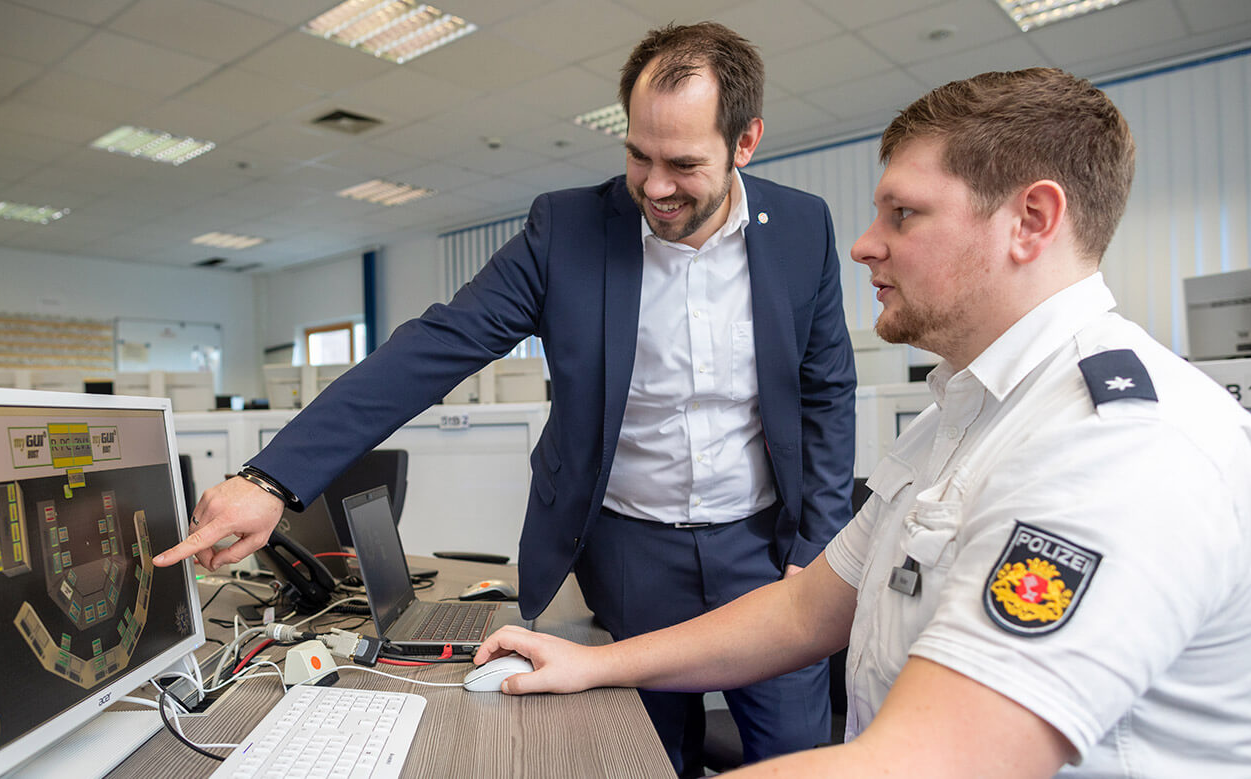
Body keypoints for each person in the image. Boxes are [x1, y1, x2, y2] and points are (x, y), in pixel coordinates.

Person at [469, 67, 1251, 776]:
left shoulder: (1117, 447)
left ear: (1032, 220)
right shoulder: (965, 414)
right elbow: (805, 609)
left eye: (904, 215)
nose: (862, 245)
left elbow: (925, 762)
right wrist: (593, 663)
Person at [153, 22, 857, 775]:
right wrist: (272, 479)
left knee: (797, 751)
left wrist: (817, 545)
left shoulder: (801, 228)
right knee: (646, 754)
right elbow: (435, 347)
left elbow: (826, 393)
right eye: (637, 155)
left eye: (683, 164)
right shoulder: (570, 229)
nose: (654, 186)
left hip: (764, 548)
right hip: (630, 551)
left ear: (745, 142)